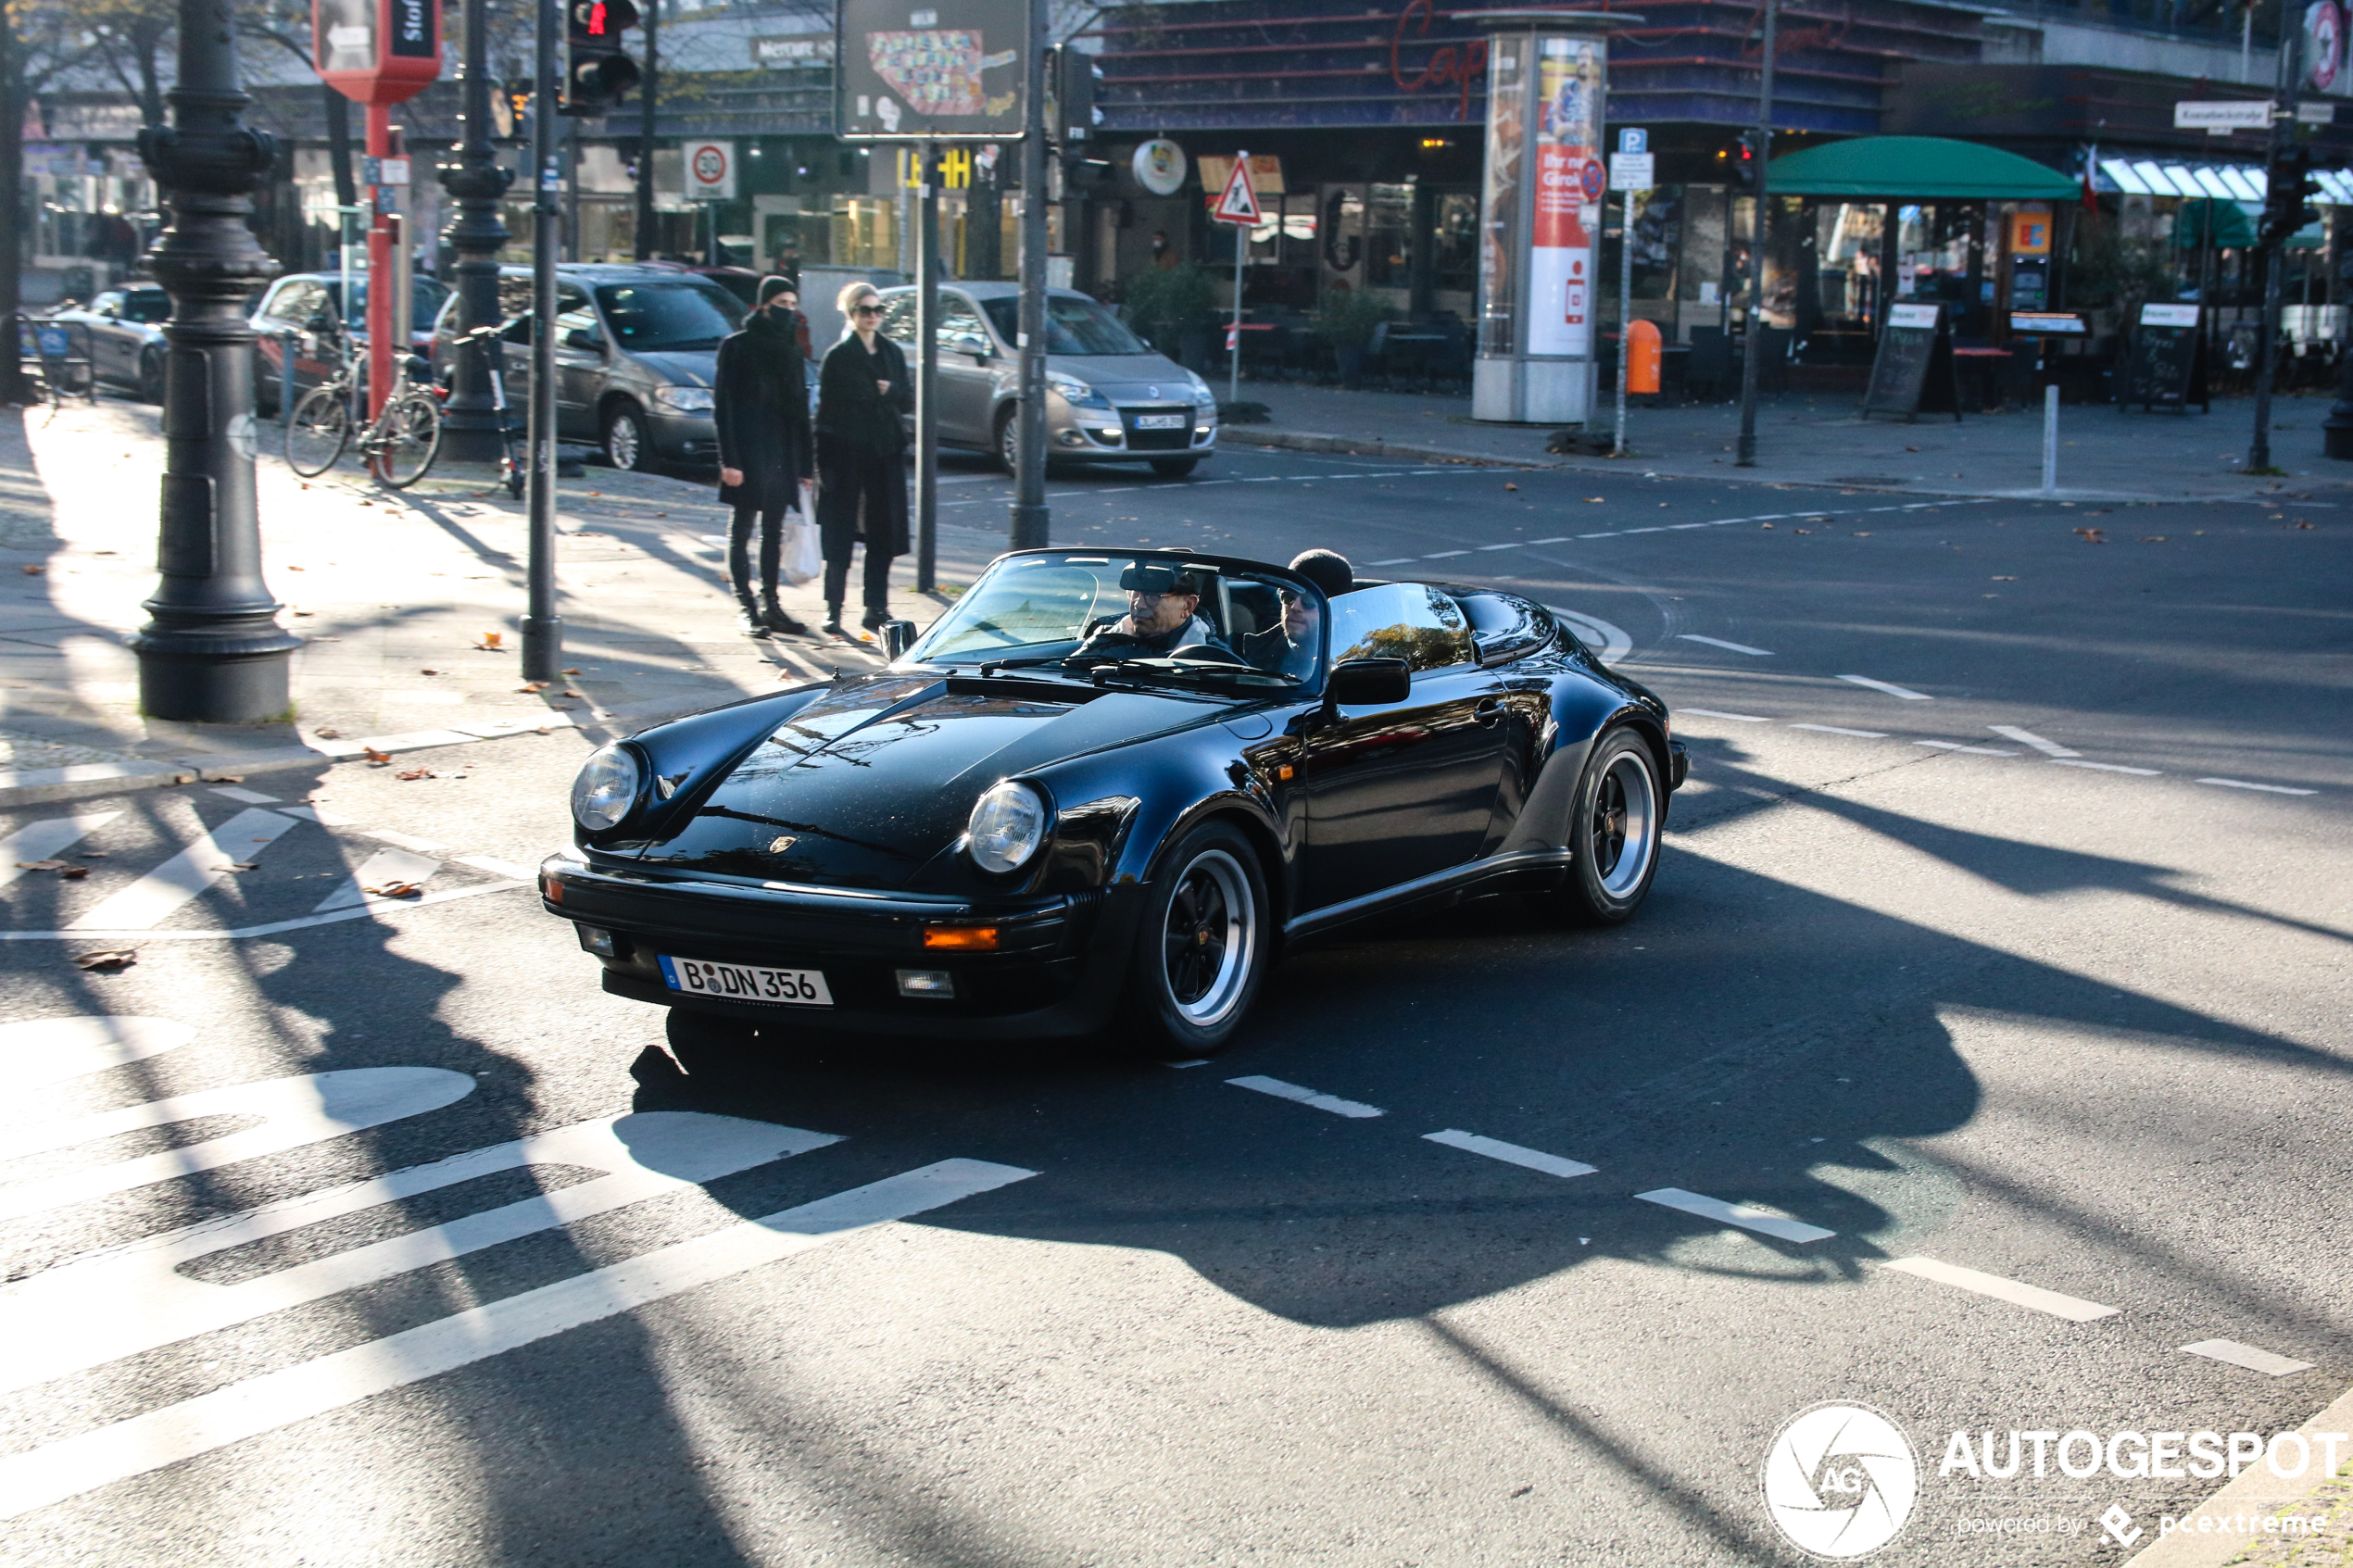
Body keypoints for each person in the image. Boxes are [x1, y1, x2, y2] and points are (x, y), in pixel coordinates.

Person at [713, 275, 812, 637]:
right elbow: (723, 407)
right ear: (764, 305)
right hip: (747, 452)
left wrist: (805, 465)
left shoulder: (791, 350)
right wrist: (729, 460)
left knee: (772, 533)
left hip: (781, 454)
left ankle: (772, 604)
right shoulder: (737, 346)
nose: (788, 310)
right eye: (781, 304)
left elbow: (800, 411)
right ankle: (747, 606)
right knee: (742, 531)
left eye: (792, 304)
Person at [814, 282, 913, 634]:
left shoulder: (891, 352)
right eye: (864, 311)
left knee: (882, 531)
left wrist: (892, 391)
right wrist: (821, 466)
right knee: (839, 531)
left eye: (877, 310)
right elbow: (828, 412)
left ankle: (876, 607)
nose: (872, 317)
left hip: (885, 451)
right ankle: (833, 607)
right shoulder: (840, 355)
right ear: (851, 314)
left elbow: (907, 398)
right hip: (845, 453)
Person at [1238, 549, 1353, 674]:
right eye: (1288, 597)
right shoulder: (1254, 652)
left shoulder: (1359, 657)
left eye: (1308, 601)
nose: (1294, 607)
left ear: (1337, 610)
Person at [1076, 562, 1225, 658]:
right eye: (1135, 593)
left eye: (1153, 596)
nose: (1139, 604)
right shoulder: (1103, 636)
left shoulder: (1213, 658)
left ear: (1188, 606)